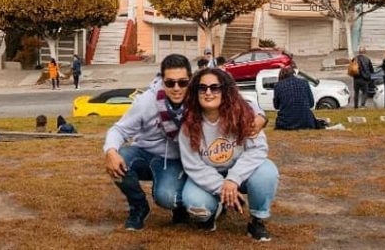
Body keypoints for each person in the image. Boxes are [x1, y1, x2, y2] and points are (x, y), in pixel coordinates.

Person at [103, 54, 268, 232]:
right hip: (146, 152)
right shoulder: (146, 102)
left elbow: (235, 97)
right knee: (120, 160)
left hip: (178, 159)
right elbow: (119, 129)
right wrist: (111, 151)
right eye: (170, 83)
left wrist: (260, 115)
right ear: (162, 81)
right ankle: (138, 207)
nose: (176, 88)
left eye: (182, 83)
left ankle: (185, 205)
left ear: (190, 81)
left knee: (168, 197)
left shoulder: (199, 95)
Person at [179, 67, 279, 242]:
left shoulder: (243, 114)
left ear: (225, 90)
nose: (208, 93)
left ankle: (257, 219)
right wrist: (222, 187)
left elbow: (257, 149)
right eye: (202, 88)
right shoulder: (188, 124)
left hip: (239, 171)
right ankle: (213, 210)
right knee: (195, 204)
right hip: (209, 174)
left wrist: (233, 179)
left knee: (267, 173)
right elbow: (193, 165)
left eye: (215, 88)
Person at [272, 65, 318, 130]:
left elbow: (276, 106)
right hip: (306, 122)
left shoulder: (278, 86)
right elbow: (311, 104)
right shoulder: (304, 83)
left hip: (285, 123)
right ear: (294, 73)